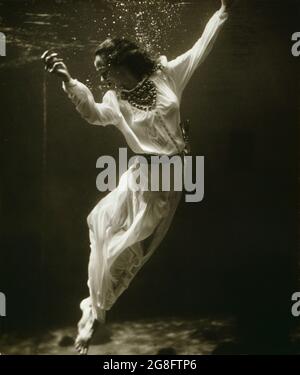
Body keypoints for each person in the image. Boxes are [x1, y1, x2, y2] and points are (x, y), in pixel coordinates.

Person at [42, 0, 233, 355]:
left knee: (130, 248)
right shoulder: (115, 100)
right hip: (141, 176)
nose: (100, 77)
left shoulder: (165, 75)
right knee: (102, 228)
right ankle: (95, 311)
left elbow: (199, 49)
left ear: (119, 63)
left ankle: (95, 310)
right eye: (97, 72)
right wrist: (69, 81)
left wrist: (221, 12)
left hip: (171, 181)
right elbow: (95, 114)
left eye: (103, 69)